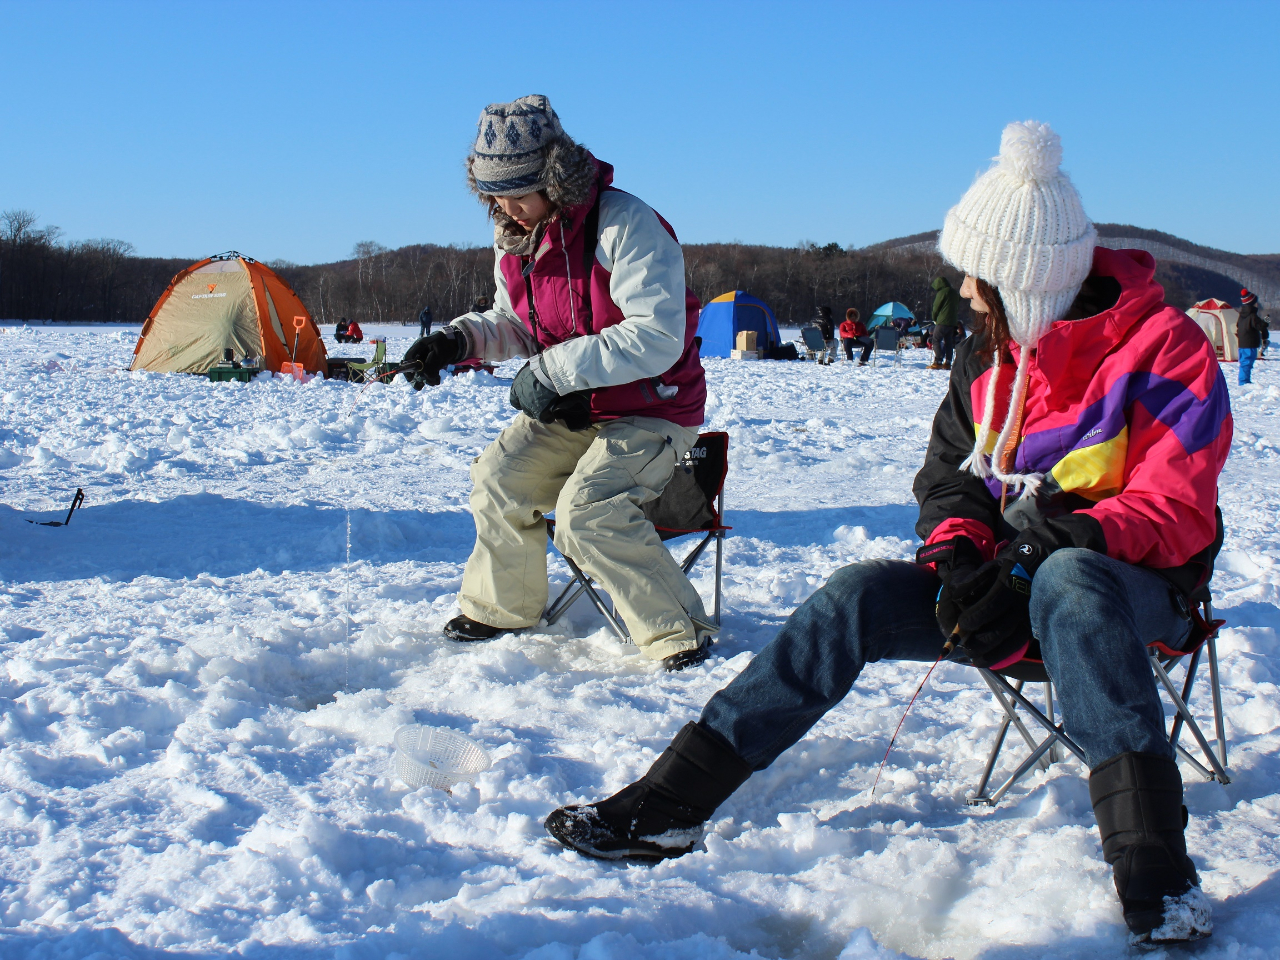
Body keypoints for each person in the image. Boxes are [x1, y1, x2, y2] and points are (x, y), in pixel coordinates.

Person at [543, 121, 1230, 947]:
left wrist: (1043, 546)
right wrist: (960, 551)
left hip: (1134, 594)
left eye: (976, 279)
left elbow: (1177, 507)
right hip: (1004, 586)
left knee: (1070, 581)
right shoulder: (988, 355)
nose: (965, 295)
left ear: (1026, 283)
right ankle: (668, 806)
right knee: (855, 595)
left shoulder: (1166, 351)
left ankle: (1160, 878)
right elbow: (947, 478)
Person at [399, 95, 712, 670]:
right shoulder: (515, 236)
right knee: (498, 478)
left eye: (519, 192)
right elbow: (518, 323)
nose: (506, 208)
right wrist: (458, 341)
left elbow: (657, 337)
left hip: (654, 409)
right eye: (494, 194)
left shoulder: (626, 225)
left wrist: (552, 371)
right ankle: (503, 607)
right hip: (575, 409)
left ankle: (679, 629)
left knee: (587, 512)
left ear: (555, 178)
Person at [928, 276, 962, 370]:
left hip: (942, 321)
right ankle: (948, 362)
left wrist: (934, 318)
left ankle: (938, 360)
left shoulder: (942, 292)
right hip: (952, 322)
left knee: (936, 340)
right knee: (948, 342)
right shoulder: (954, 292)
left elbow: (936, 307)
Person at [1237, 288, 1268, 384]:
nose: (1257, 304)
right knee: (1247, 364)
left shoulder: (1242, 315)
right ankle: (1244, 382)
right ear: (1252, 304)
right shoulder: (1252, 316)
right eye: (1256, 302)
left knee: (1244, 363)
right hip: (1249, 344)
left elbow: (1238, 326)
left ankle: (1244, 381)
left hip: (1242, 344)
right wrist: (1266, 321)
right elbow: (1261, 326)